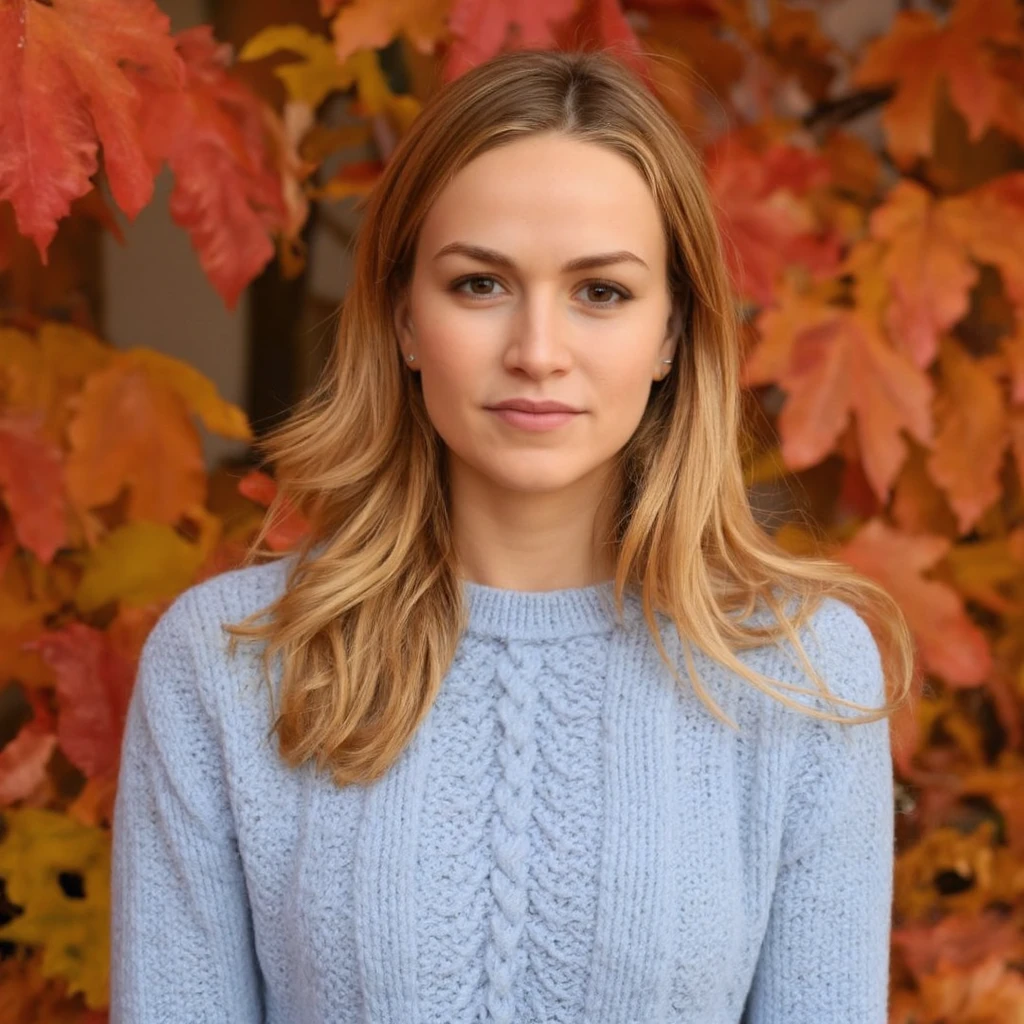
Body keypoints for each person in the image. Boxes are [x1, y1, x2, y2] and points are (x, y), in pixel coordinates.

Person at [109, 46, 915, 1024]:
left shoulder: (795, 670)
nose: (538, 352)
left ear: (670, 332)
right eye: (480, 285)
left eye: (601, 292)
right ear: (404, 316)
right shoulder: (222, 667)